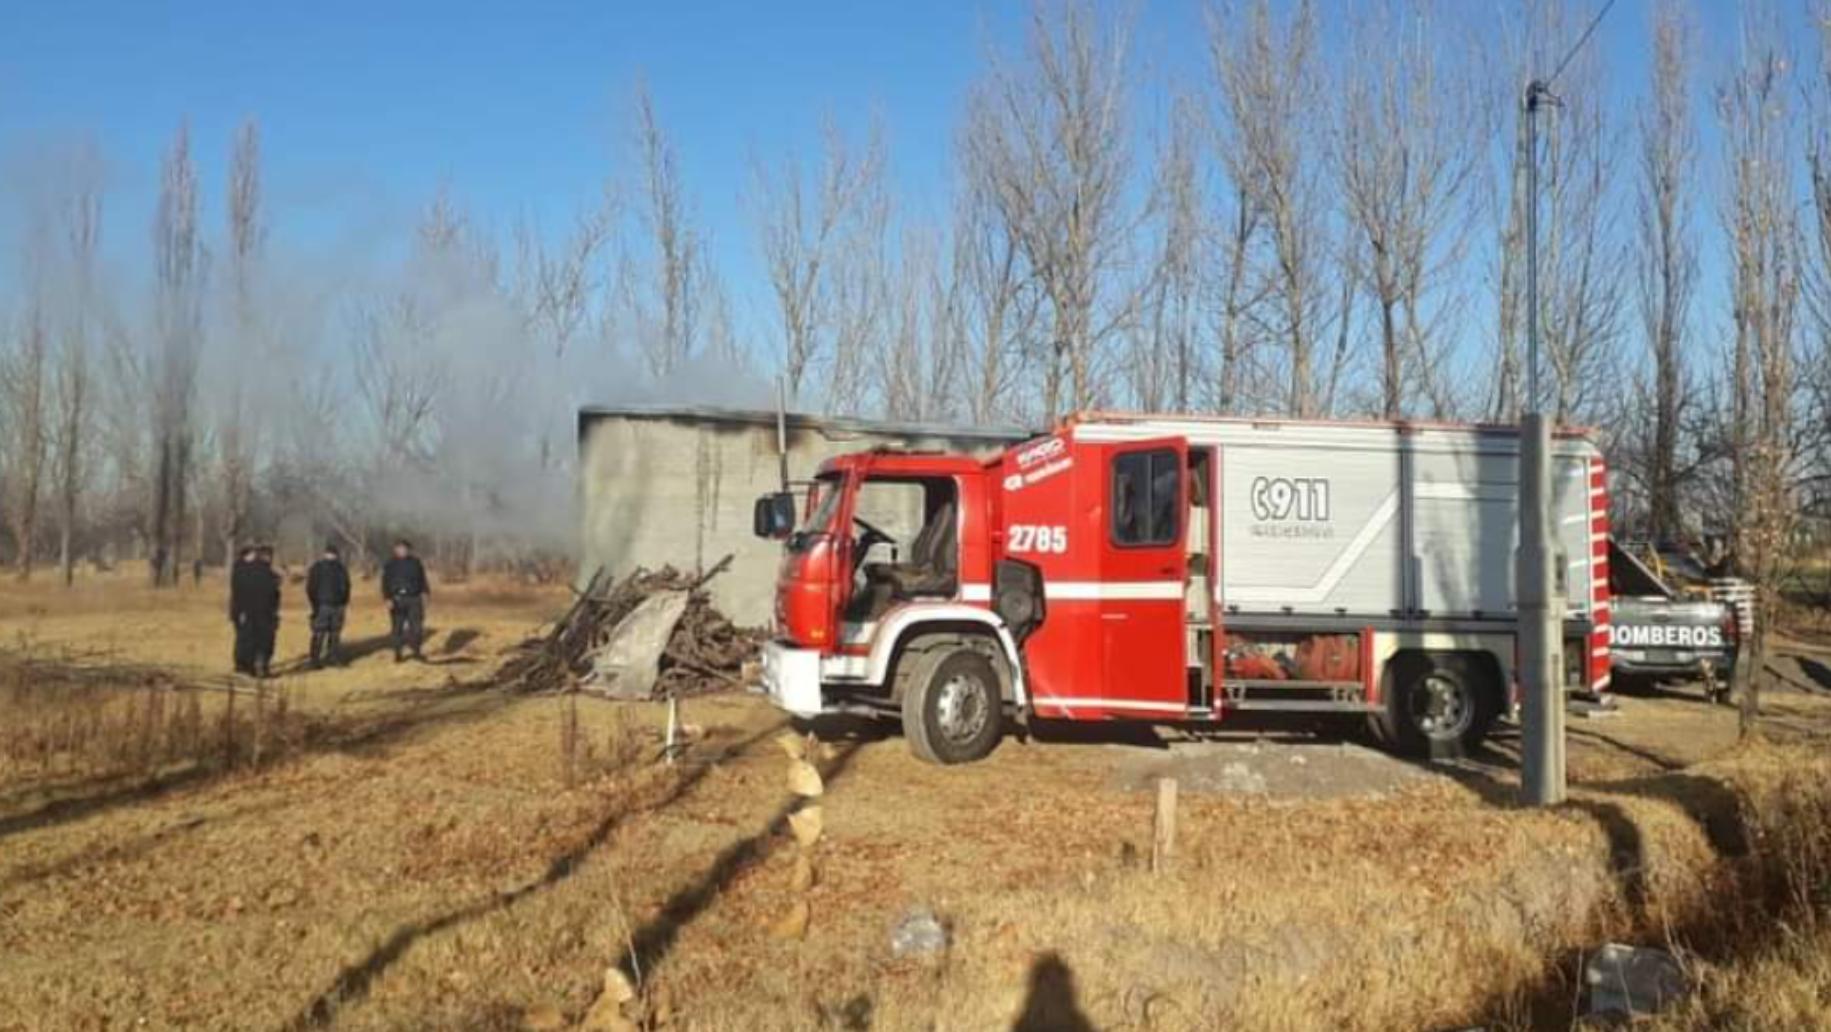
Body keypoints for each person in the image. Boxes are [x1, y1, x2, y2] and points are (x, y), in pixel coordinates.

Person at [381, 539, 430, 662]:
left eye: (404, 548)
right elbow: (385, 583)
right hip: (396, 599)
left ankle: (417, 652)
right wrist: (387, 598)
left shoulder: (416, 563)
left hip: (414, 599)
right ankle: (398, 654)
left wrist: (425, 593)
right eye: (399, 548)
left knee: (417, 628)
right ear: (395, 550)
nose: (402, 550)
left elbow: (423, 579)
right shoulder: (390, 564)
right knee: (397, 628)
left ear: (408, 550)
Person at [306, 542, 352, 669]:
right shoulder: (339, 568)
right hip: (329, 605)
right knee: (331, 633)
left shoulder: (318, 567)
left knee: (326, 633)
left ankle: (318, 659)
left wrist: (314, 604)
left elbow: (310, 588)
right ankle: (327, 658)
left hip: (326, 605)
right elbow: (347, 587)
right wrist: (344, 602)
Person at [247, 545, 283, 677]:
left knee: (252, 641)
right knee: (266, 642)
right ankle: (263, 667)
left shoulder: (248, 572)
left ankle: (251, 667)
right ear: (267, 557)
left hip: (251, 613)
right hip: (267, 613)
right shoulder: (270, 576)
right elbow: (274, 595)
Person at [228, 545, 261, 675]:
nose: (255, 556)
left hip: (243, 610)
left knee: (245, 638)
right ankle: (243, 664)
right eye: (253, 554)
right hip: (243, 610)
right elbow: (240, 592)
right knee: (245, 639)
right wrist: (241, 611)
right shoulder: (242, 570)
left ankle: (244, 663)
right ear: (247, 554)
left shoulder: (241, 568)